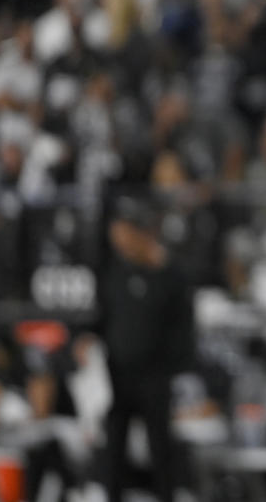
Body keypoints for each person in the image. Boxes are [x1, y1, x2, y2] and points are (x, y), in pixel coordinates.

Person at [98, 197, 193, 502]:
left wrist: (178, 373)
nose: (119, 241)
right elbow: (102, 318)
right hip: (117, 375)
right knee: (114, 448)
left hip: (156, 376)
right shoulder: (113, 272)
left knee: (161, 447)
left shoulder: (172, 276)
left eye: (124, 232)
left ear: (141, 232)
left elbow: (183, 330)